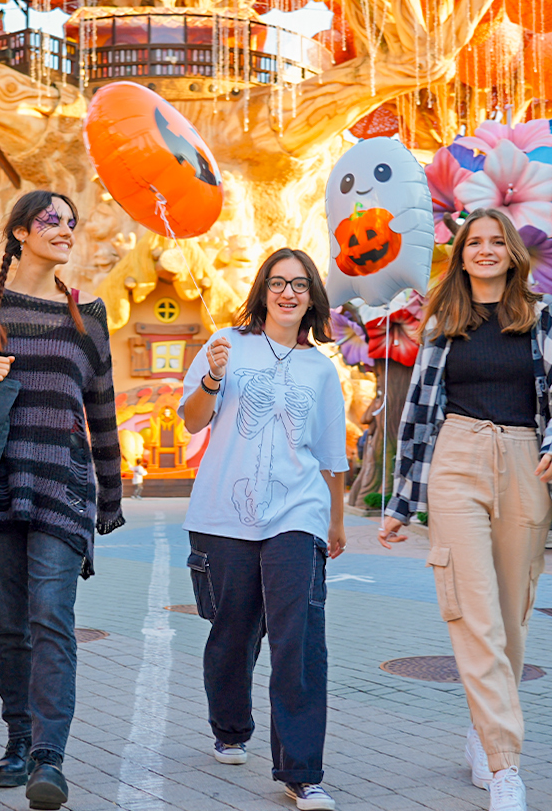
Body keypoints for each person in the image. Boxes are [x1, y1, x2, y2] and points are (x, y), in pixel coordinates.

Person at [377, 209, 552, 811]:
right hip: (457, 458)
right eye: (476, 242)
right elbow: (417, 419)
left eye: (498, 242)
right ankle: (505, 766)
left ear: (512, 253)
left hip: (526, 460)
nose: (487, 251)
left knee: (510, 615)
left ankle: (482, 728)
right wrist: (401, 504)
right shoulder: (444, 322)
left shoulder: (542, 315)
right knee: (473, 612)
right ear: (462, 254)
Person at [0, 190, 124, 811]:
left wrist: (109, 495)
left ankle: (48, 757)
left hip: (62, 485)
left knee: (50, 619)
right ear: (19, 232)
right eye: (51, 221)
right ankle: (16, 739)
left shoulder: (87, 315)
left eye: (71, 222)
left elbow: (102, 410)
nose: (65, 230)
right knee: (10, 625)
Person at [179, 248, 349, 811]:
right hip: (223, 517)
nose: (288, 293)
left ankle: (301, 772)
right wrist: (212, 376)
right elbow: (192, 419)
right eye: (277, 283)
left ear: (311, 298)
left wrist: (337, 521)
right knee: (232, 632)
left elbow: (330, 455)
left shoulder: (321, 368)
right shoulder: (228, 344)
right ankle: (229, 726)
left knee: (298, 641)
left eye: (299, 284)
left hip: (297, 514)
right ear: (262, 290)